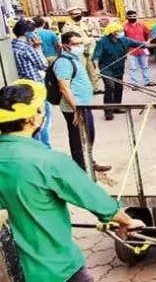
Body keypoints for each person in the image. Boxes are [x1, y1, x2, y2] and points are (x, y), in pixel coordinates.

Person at [0, 80, 147, 282]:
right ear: (32, 119)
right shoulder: (49, 162)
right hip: (56, 270)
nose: (44, 114)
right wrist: (127, 221)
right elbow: (95, 200)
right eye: (42, 110)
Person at [55, 31, 111, 172]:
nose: (79, 47)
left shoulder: (75, 58)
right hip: (75, 108)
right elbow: (64, 88)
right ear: (65, 45)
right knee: (78, 140)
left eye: (80, 43)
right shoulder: (63, 62)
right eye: (75, 44)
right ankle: (81, 169)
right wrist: (76, 110)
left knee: (88, 136)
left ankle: (89, 161)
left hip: (84, 106)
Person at [92, 22, 156, 120]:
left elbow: (141, 45)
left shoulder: (125, 40)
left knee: (118, 88)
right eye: (119, 31)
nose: (121, 32)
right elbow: (96, 56)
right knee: (110, 87)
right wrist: (96, 68)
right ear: (112, 33)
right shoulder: (102, 42)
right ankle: (108, 111)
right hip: (106, 68)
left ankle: (117, 107)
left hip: (119, 68)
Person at [11, 19, 51, 148]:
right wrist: (38, 48)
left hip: (20, 86)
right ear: (28, 33)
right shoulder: (26, 48)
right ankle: (44, 147)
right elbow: (43, 65)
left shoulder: (12, 45)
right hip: (35, 86)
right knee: (43, 120)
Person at [62, 7, 103, 94]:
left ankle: (95, 88)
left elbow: (93, 33)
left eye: (79, 13)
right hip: (78, 51)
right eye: (75, 14)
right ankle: (83, 89)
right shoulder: (68, 26)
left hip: (90, 49)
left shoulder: (86, 22)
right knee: (80, 71)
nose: (78, 16)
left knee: (93, 70)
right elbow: (66, 39)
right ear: (71, 15)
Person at [123, 10, 153, 88]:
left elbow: (149, 32)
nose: (132, 18)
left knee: (145, 66)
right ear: (127, 17)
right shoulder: (125, 27)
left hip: (142, 50)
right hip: (131, 51)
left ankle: (148, 81)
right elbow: (122, 39)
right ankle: (134, 84)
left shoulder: (142, 25)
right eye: (130, 16)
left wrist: (148, 41)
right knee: (133, 68)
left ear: (136, 16)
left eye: (134, 16)